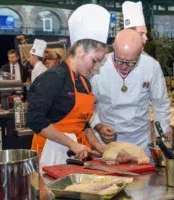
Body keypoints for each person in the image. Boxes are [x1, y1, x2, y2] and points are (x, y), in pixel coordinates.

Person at [26, 4, 110, 168]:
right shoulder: (53, 78)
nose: (95, 68)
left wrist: (100, 147)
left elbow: (83, 124)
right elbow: (34, 119)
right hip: (50, 152)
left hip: (78, 152)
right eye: (94, 61)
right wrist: (72, 144)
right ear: (79, 51)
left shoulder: (85, 83)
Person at [90, 29, 171, 156]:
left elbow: (160, 104)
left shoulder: (151, 66)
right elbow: (88, 104)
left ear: (140, 53)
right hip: (106, 140)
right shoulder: (99, 66)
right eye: (119, 61)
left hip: (139, 140)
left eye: (130, 63)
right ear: (113, 49)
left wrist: (162, 136)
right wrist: (98, 126)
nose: (123, 67)